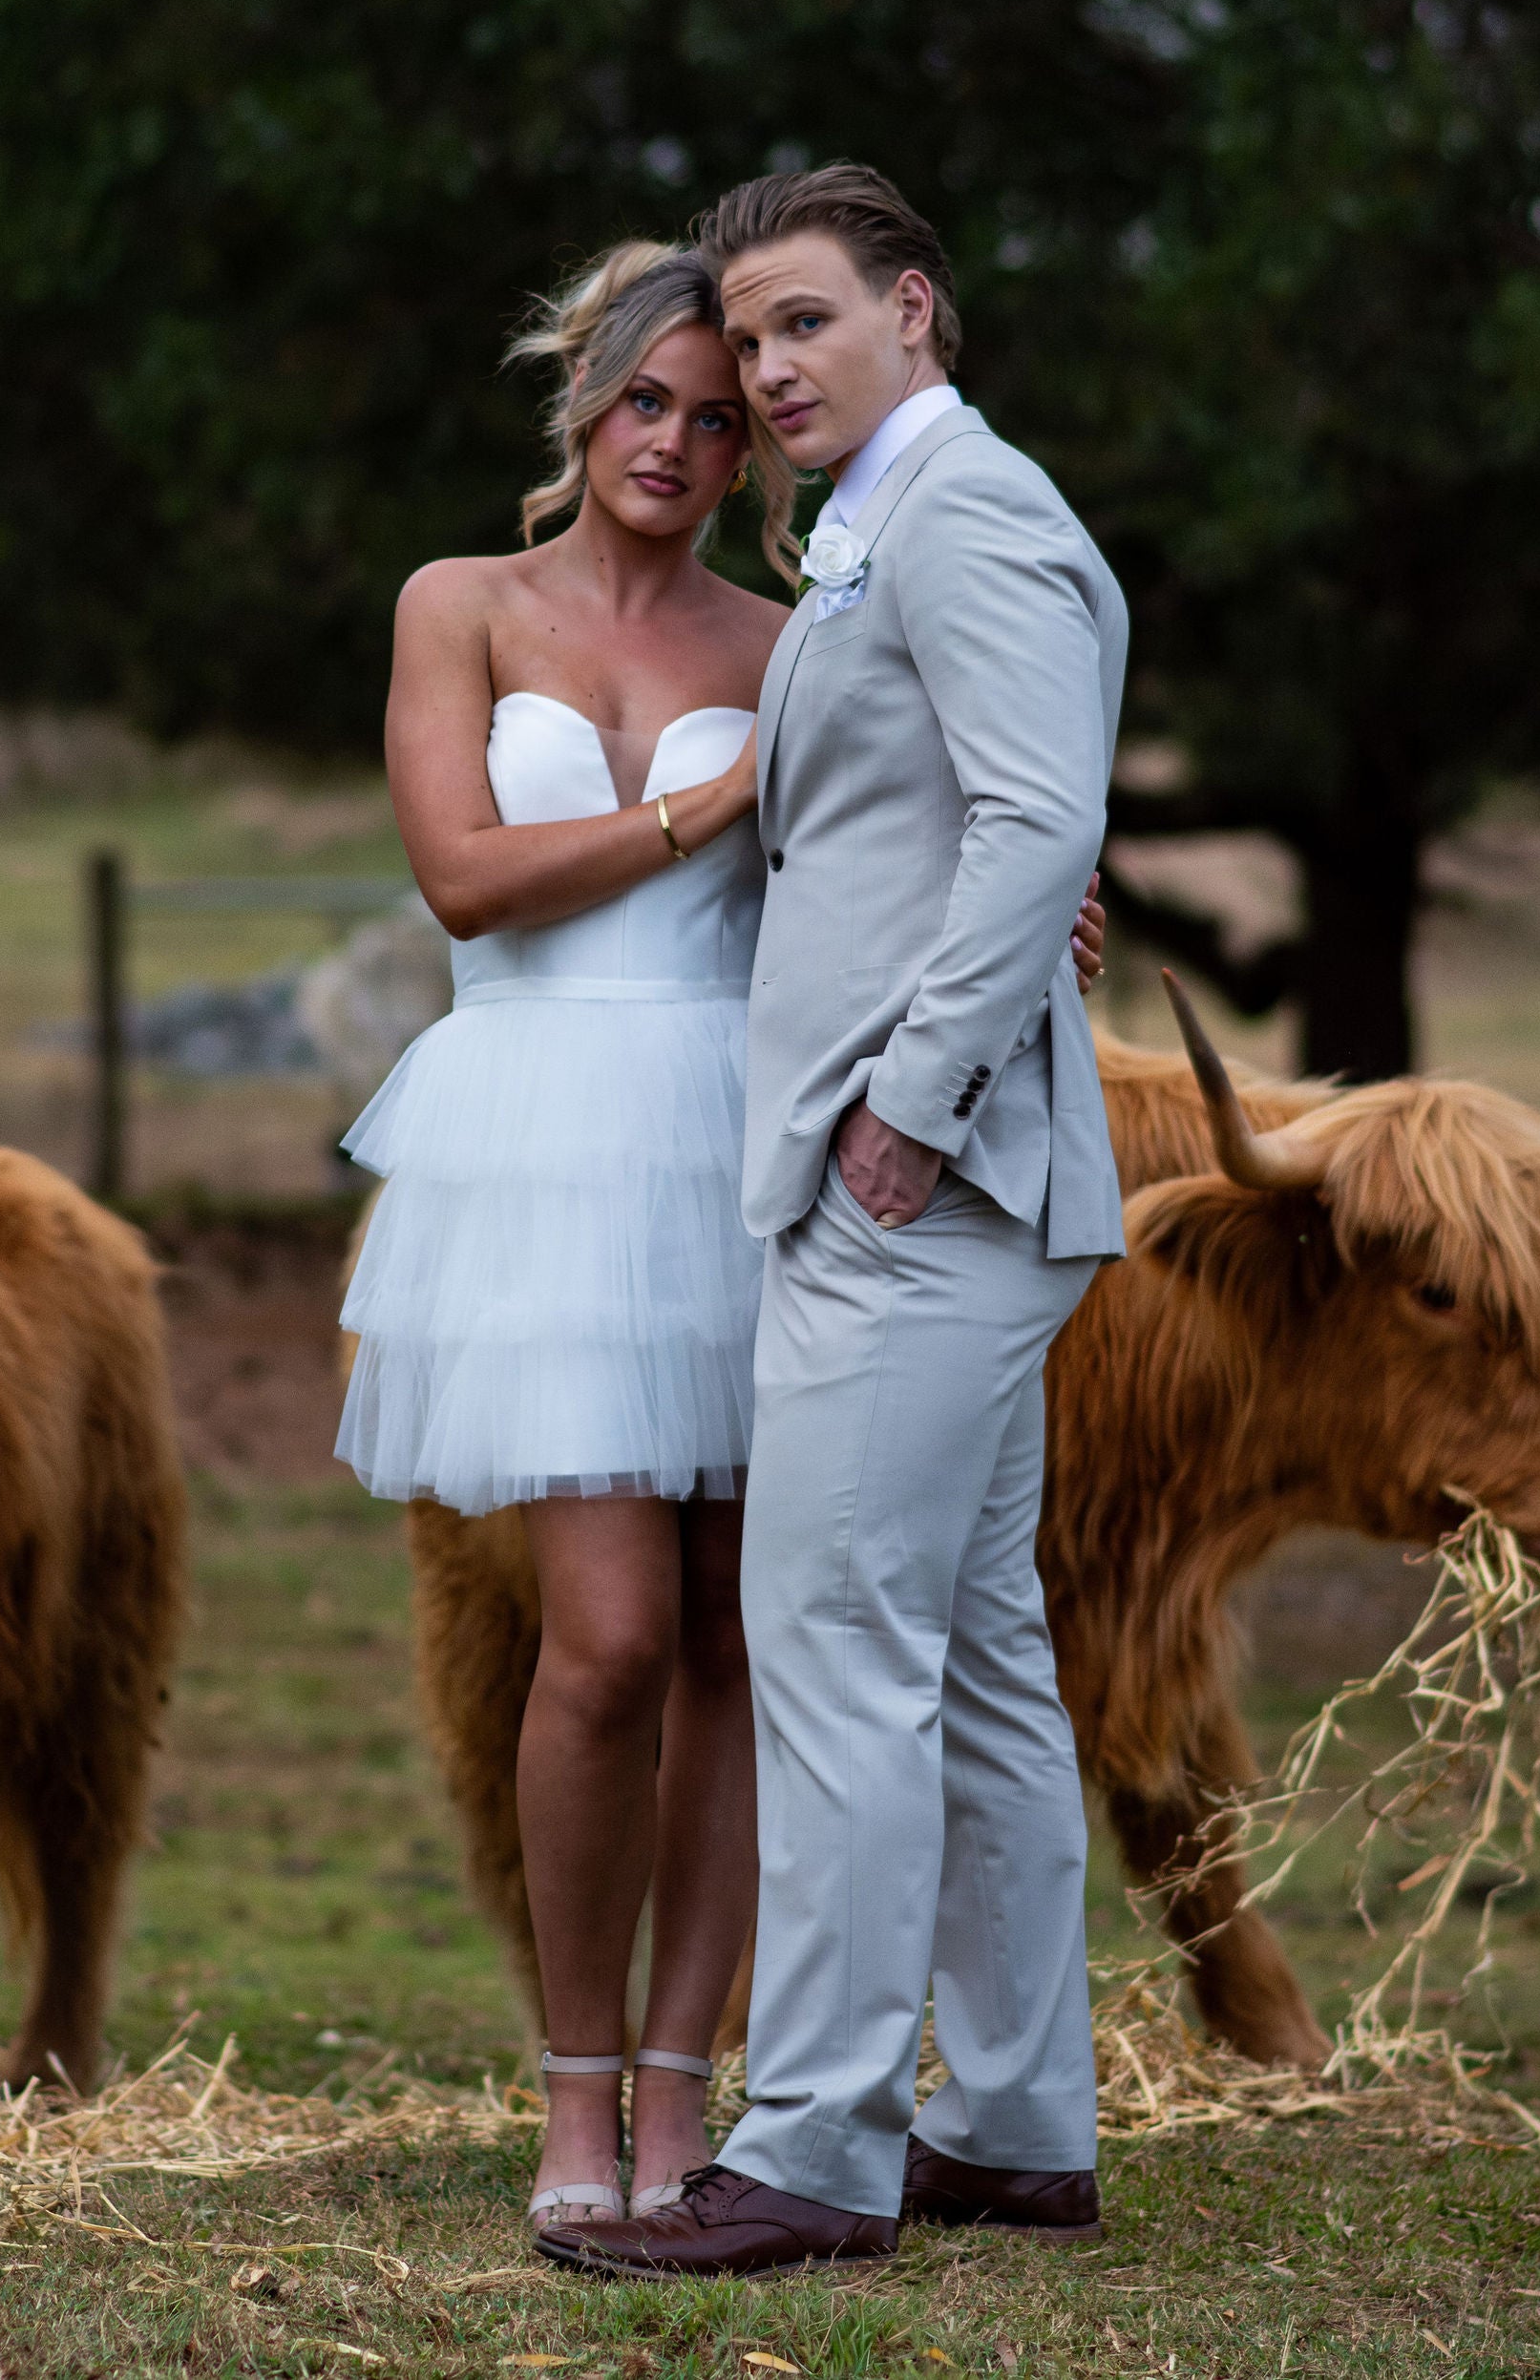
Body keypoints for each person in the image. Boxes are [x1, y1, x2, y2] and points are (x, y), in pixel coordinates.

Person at [336, 235, 1107, 2239]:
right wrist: (714, 802)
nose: (676, 438)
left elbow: (913, 833)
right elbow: (462, 880)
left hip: (746, 1131)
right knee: (601, 1642)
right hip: (545, 1142)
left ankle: (691, 2092)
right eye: (643, 400)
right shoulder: (457, 605)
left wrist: (1035, 909)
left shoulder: (792, 632)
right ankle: (574, 2092)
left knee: (746, 1644)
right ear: (581, 403)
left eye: (712, 408)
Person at [541, 163, 1128, 2281]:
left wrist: (909, 1101)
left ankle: (808, 2150)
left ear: (914, 313)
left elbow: (1039, 818)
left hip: (923, 1186)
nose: (772, 370)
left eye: (808, 323)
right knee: (970, 1662)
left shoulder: (963, 512)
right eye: (751, 338)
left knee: (836, 1654)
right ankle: (1022, 2124)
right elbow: (966, 822)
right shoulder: (882, 524)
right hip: (941, 1182)